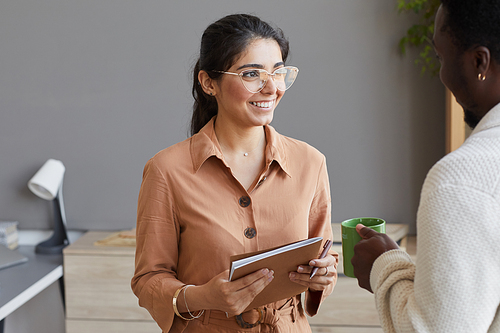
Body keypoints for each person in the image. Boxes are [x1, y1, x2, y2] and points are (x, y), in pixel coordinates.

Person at [131, 13, 338, 332]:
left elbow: (320, 261)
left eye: (278, 72)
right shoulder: (166, 170)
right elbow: (148, 281)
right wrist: (202, 297)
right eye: (252, 74)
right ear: (208, 82)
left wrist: (324, 276)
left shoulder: (310, 162)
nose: (272, 88)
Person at [351, 1, 500, 332]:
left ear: (480, 62)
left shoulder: (461, 180)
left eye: (441, 57)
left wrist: (385, 267)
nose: (440, 73)